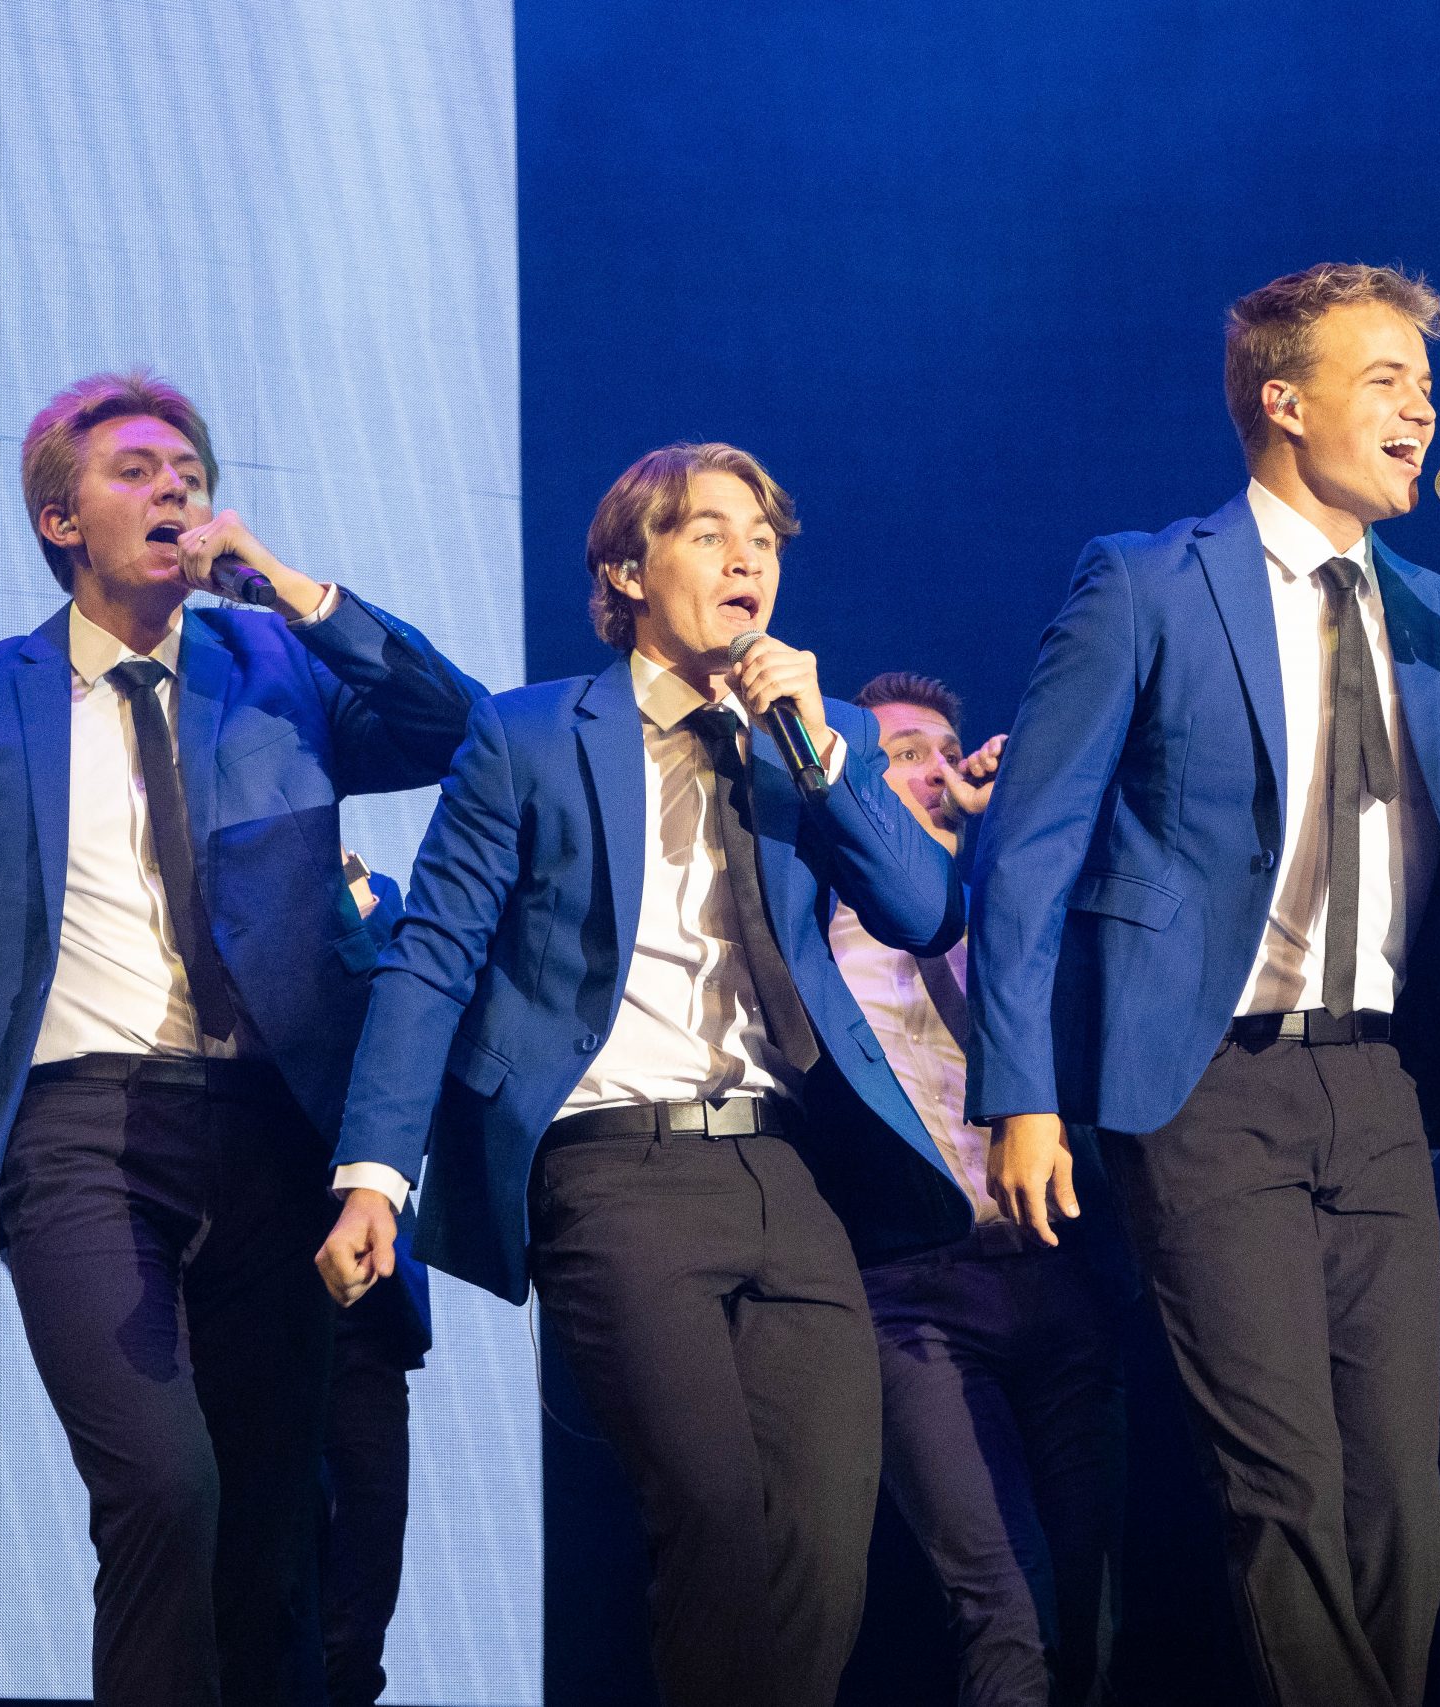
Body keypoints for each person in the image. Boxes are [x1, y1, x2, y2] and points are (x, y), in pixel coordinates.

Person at [966, 263, 1440, 1707]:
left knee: (1403, 1491)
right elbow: (1026, 850)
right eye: (1385, 379)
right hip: (1207, 1078)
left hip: (1388, 1083)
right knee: (1285, 1479)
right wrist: (1018, 1092)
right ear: (1284, 399)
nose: (1423, 409)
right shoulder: (1146, 578)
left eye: (1427, 385)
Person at [0, 369, 484, 1706]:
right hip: (80, 1135)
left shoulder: (278, 672)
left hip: (272, 1131)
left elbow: (456, 726)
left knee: (266, 1532)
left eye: (188, 469)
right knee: (161, 1483)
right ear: (58, 517)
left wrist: (294, 588)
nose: (175, 487)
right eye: (135, 468)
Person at [313, 443, 971, 1707]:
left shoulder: (803, 740)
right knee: (716, 1521)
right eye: (711, 533)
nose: (747, 559)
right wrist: (374, 1179)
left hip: (787, 1168)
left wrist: (824, 756)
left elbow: (925, 910)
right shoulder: (529, 733)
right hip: (612, 1170)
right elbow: (433, 960)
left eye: (765, 541)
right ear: (628, 566)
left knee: (824, 1553)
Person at [836, 671, 1125, 1706]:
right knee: (1001, 1597)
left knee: (1091, 1590)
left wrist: (1004, 827)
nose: (930, 766)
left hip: (1050, 1267)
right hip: (910, 1292)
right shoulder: (822, 925)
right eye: (899, 752)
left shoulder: (1015, 912)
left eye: (940, 748)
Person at [319, 857, 430, 1707]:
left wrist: (344, 902)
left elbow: (408, 1030)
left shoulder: (379, 904)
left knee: (368, 1558)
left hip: (363, 1302)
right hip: (240, 1279)